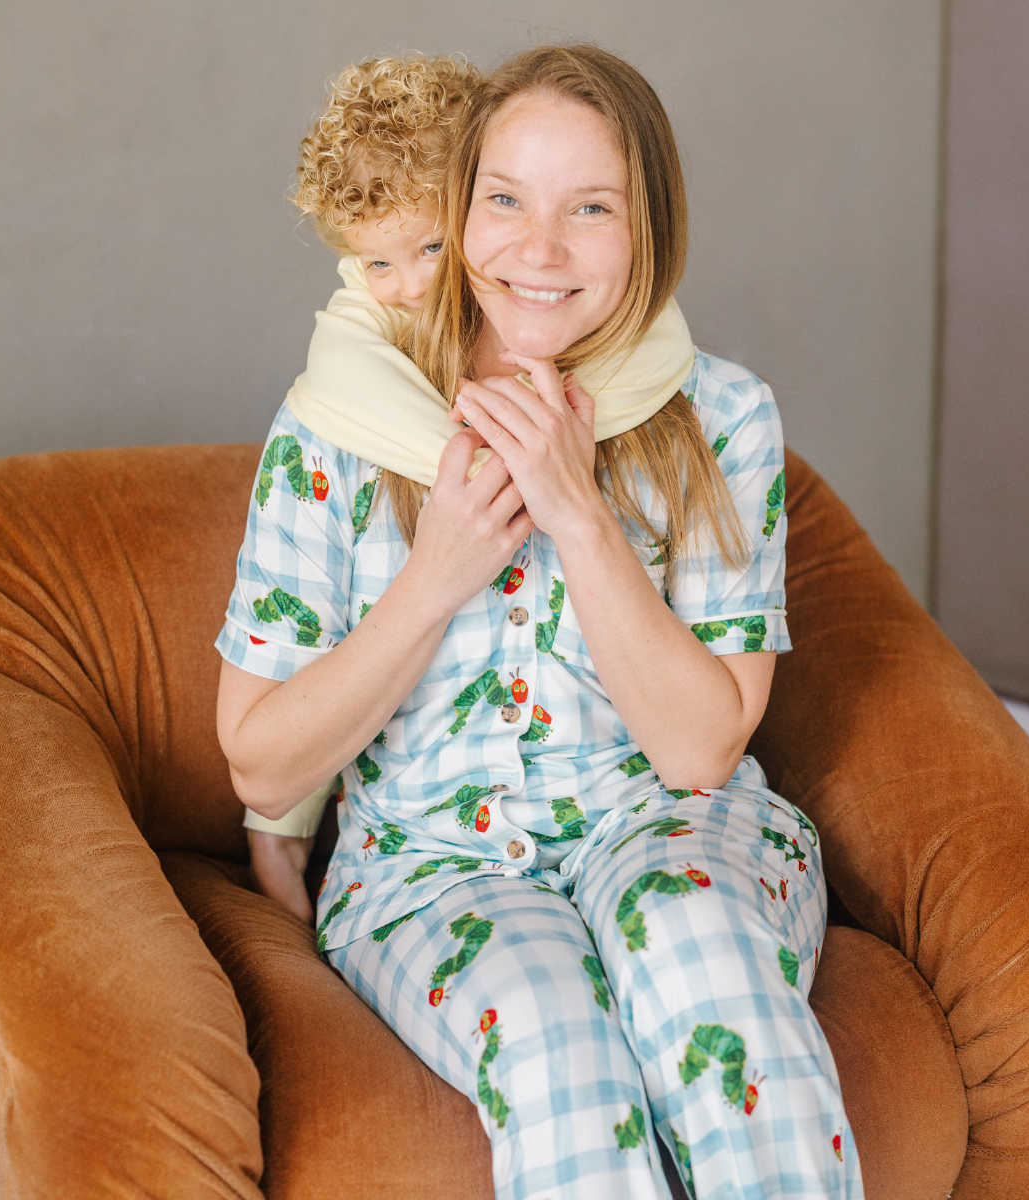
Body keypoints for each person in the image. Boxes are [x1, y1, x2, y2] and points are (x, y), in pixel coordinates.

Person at [217, 41, 861, 1200]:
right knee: (557, 1048)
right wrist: (436, 576)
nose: (539, 249)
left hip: (669, 824)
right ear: (458, 210)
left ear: (651, 229)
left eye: (591, 208)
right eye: (505, 200)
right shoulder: (334, 431)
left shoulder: (724, 417)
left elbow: (700, 751)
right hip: (431, 869)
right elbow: (260, 761)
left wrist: (578, 512)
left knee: (698, 956)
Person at [243, 52, 695, 926]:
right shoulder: (351, 365)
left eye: (431, 248)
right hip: (420, 852)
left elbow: (660, 347)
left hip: (638, 824)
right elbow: (271, 737)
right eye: (378, 265)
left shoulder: (670, 384)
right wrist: (282, 816)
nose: (410, 287)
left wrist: (570, 489)